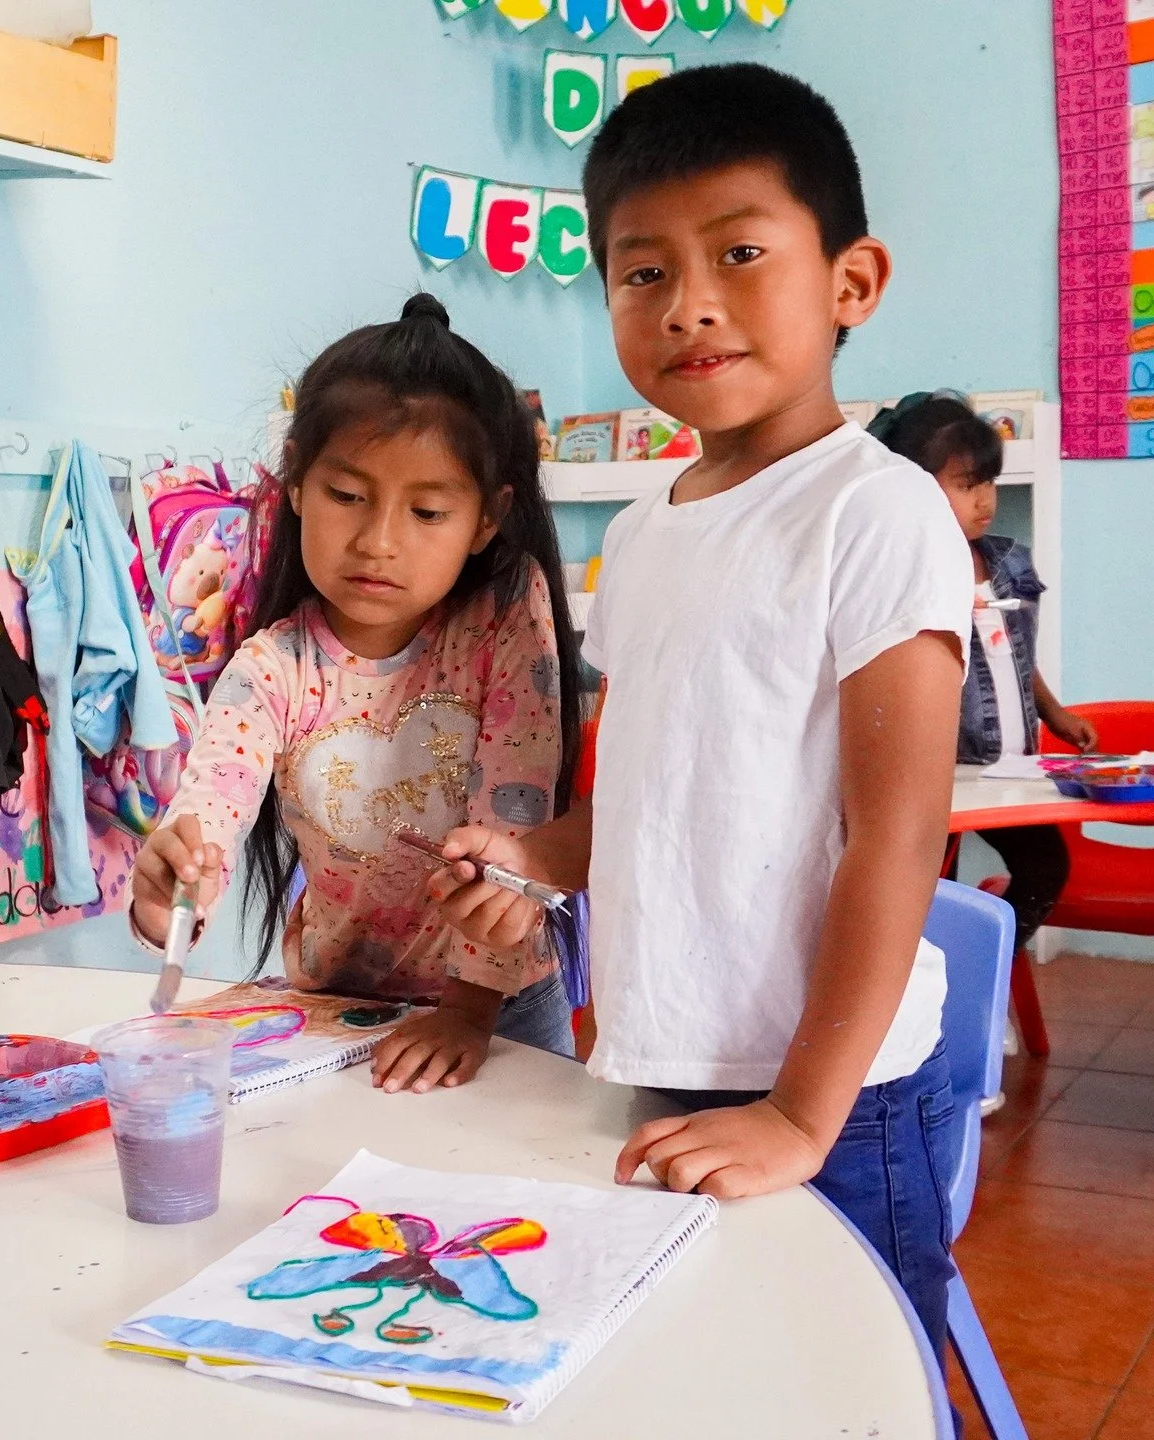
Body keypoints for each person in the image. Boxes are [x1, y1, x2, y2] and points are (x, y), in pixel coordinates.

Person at [428, 64, 973, 1364]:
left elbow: (898, 838)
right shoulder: (645, 534)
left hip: (839, 1086)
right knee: (713, 1372)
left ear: (852, 282)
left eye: (738, 253)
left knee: (858, 1374)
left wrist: (800, 1115)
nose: (691, 305)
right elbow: (646, 792)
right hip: (666, 1049)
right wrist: (533, 862)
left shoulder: (874, 508)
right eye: (643, 272)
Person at [127, 294, 585, 1094]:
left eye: (428, 510)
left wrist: (470, 1011)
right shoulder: (272, 665)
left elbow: (515, 812)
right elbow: (212, 808)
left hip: (504, 1008)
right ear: (298, 482)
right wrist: (171, 893)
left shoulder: (503, 619)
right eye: (347, 496)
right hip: (335, 1012)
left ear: (488, 518)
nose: (378, 541)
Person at [872, 390, 1095, 950]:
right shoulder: (901, 569)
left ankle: (980, 973)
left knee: (1046, 868)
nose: (985, 500)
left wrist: (1054, 712)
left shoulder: (1009, 561)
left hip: (1010, 764)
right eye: (966, 486)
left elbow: (1016, 655)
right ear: (914, 490)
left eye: (989, 482)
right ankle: (937, 1006)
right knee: (930, 893)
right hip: (934, 769)